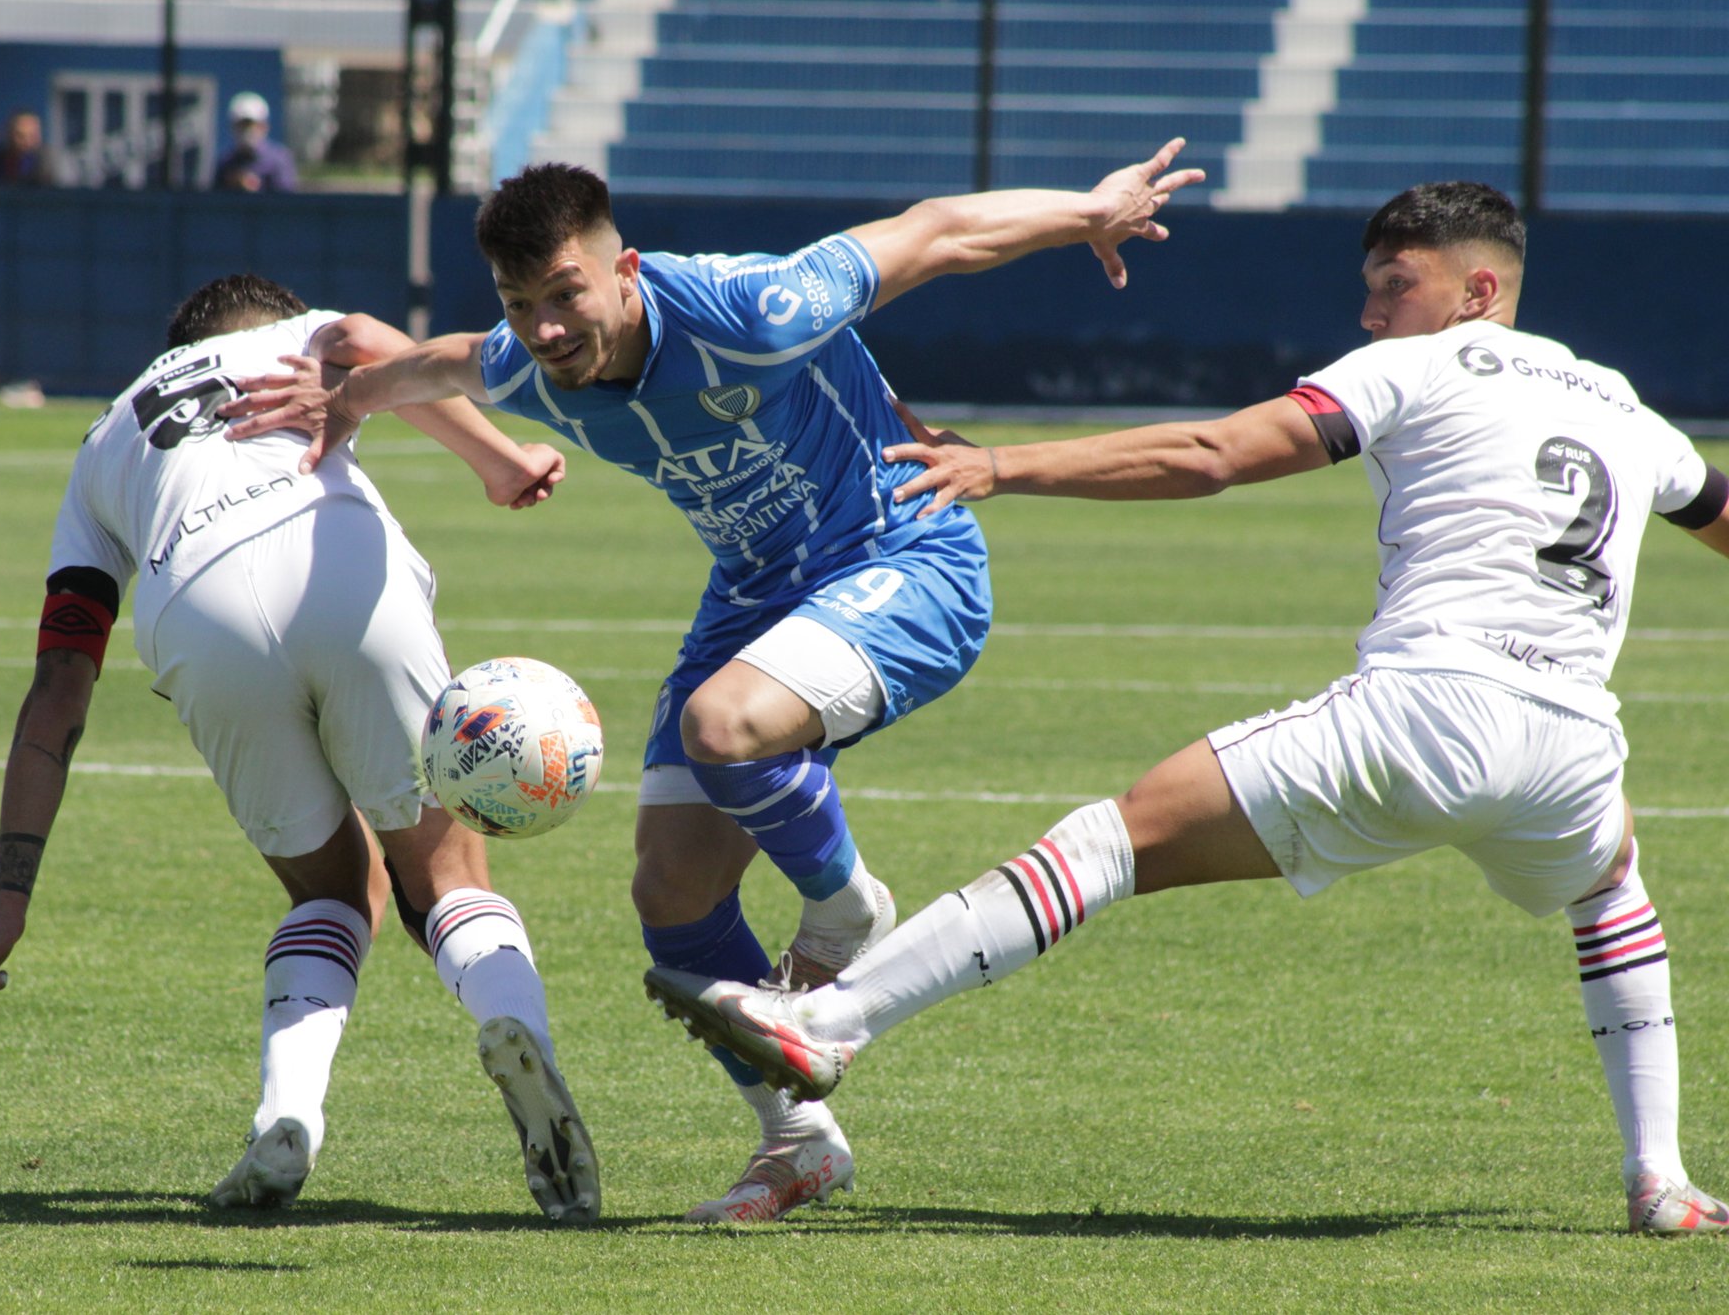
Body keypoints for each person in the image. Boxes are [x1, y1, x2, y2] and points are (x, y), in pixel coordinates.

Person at [643, 181, 1729, 1235]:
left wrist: (1001, 465)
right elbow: (1715, 512)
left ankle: (825, 1022)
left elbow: (1213, 454)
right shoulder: (1620, 403)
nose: (1368, 313)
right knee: (1609, 885)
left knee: (1109, 840)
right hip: (1572, 747)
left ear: (1477, 291)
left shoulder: (1420, 363)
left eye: (1392, 285)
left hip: (1426, 711)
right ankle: (1659, 1180)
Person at [219, 145, 1205, 1220]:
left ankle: (842, 909)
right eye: (520, 302)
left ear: (624, 269)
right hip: (753, 595)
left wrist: (1089, 212)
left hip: (900, 559)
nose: (545, 328)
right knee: (670, 893)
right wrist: (349, 401)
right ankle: (799, 1140)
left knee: (723, 725)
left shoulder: (751, 309)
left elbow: (932, 231)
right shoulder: (523, 359)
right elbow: (446, 361)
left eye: (564, 294)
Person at [0, 273, 602, 1222]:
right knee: (447, 870)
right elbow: (373, 342)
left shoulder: (101, 447)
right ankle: (510, 1021)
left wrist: (5, 905)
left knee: (335, 890)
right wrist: (496, 461)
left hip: (194, 608)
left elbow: (58, 690)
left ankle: (288, 1115)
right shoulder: (292, 332)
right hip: (334, 559)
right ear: (263, 320)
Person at [214, 92, 297, 193]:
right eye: (241, 125)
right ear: (233, 127)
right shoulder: (225, 162)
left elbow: (286, 201)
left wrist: (255, 187)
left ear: (263, 126)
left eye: (250, 125)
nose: (246, 131)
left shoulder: (280, 160)